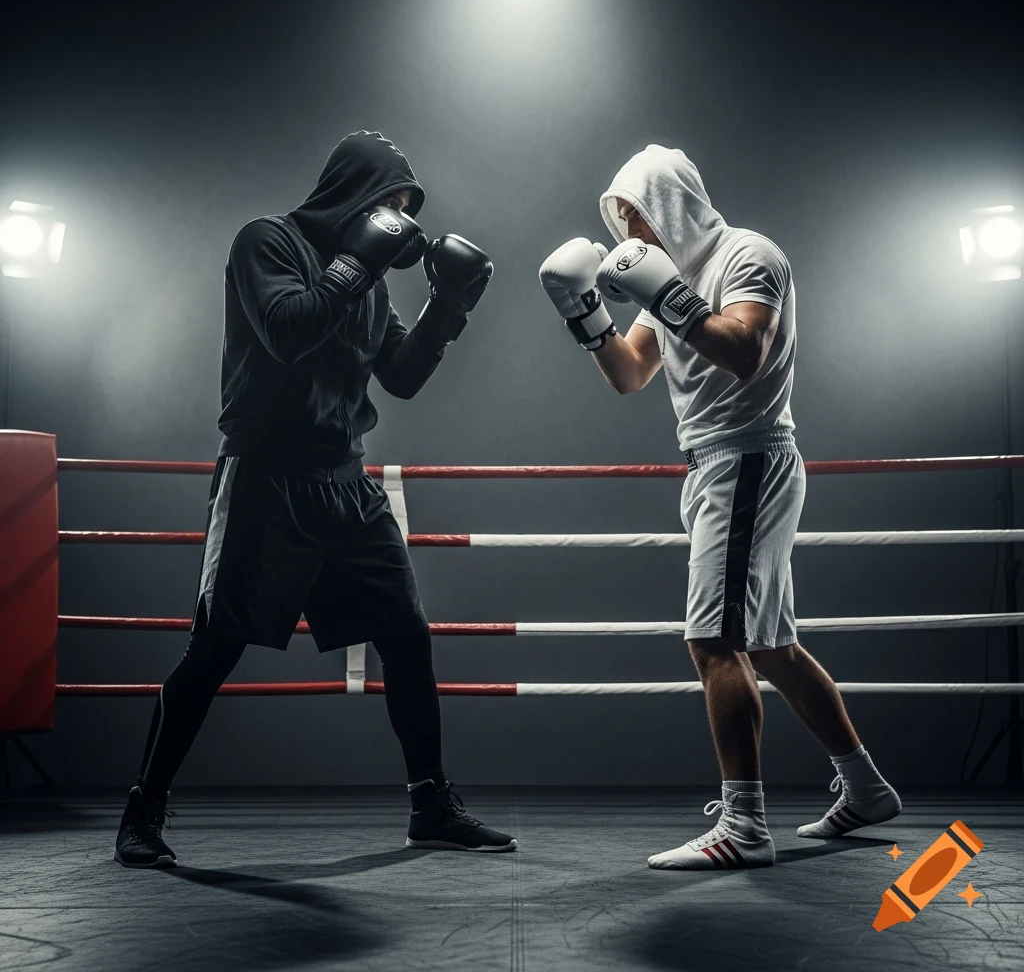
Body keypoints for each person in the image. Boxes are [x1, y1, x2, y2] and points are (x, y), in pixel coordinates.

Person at [115, 130, 516, 868]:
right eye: (391, 203)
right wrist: (358, 260)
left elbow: (398, 375)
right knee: (213, 648)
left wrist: (446, 309)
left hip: (345, 480)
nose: (399, 218)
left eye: (406, 208)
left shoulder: (372, 282)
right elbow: (287, 330)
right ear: (353, 196)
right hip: (265, 476)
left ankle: (430, 802)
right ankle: (142, 810)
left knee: (406, 635)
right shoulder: (265, 242)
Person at [539, 144, 900, 870]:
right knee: (770, 645)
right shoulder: (665, 275)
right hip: (713, 464)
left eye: (633, 214)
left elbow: (744, 353)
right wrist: (584, 314)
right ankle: (866, 788)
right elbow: (630, 375)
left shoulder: (749, 254)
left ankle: (744, 825)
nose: (626, 234)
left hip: (749, 454)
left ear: (668, 202)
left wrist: (664, 295)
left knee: (713, 641)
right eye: (618, 221)